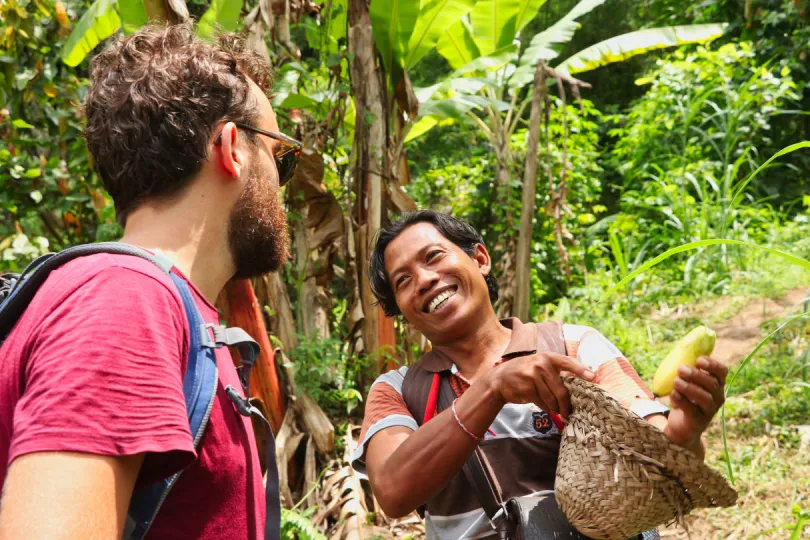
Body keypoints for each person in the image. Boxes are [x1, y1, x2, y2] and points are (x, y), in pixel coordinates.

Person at [0, 23, 299, 539]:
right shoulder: (126, 302)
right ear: (232, 147)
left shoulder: (173, 315)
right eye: (281, 158)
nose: (282, 185)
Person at [352, 210, 728, 539]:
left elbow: (656, 449)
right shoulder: (397, 390)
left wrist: (685, 431)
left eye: (433, 257)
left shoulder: (573, 346)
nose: (425, 280)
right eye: (403, 281)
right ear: (400, 310)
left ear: (480, 258)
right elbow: (393, 491)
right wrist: (492, 388)